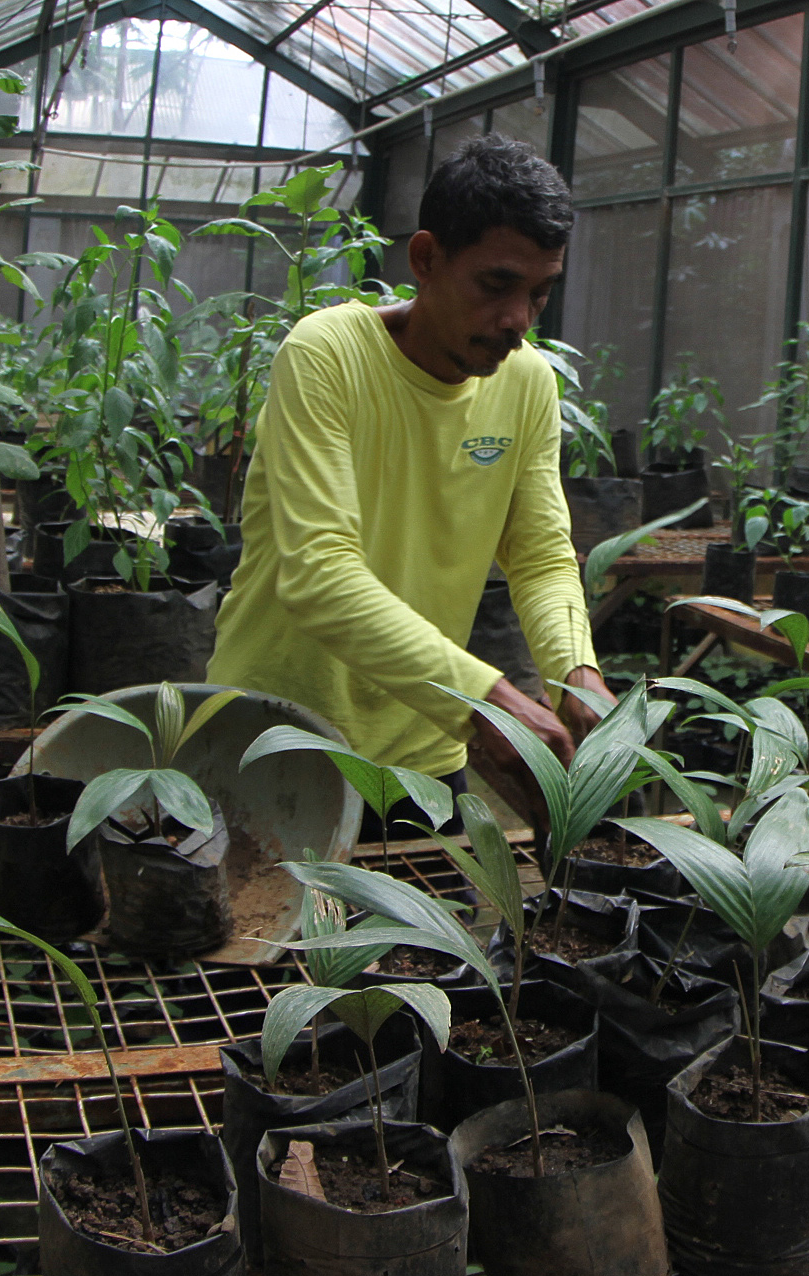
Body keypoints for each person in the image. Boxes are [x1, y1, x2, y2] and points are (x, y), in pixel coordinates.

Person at [208, 134, 613, 833]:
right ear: (426, 259)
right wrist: (489, 700)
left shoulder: (527, 385)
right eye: (496, 285)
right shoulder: (328, 355)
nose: (517, 319)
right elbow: (320, 573)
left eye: (539, 294)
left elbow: (541, 557)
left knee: (435, 938)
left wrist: (577, 673)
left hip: (421, 753)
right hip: (277, 738)